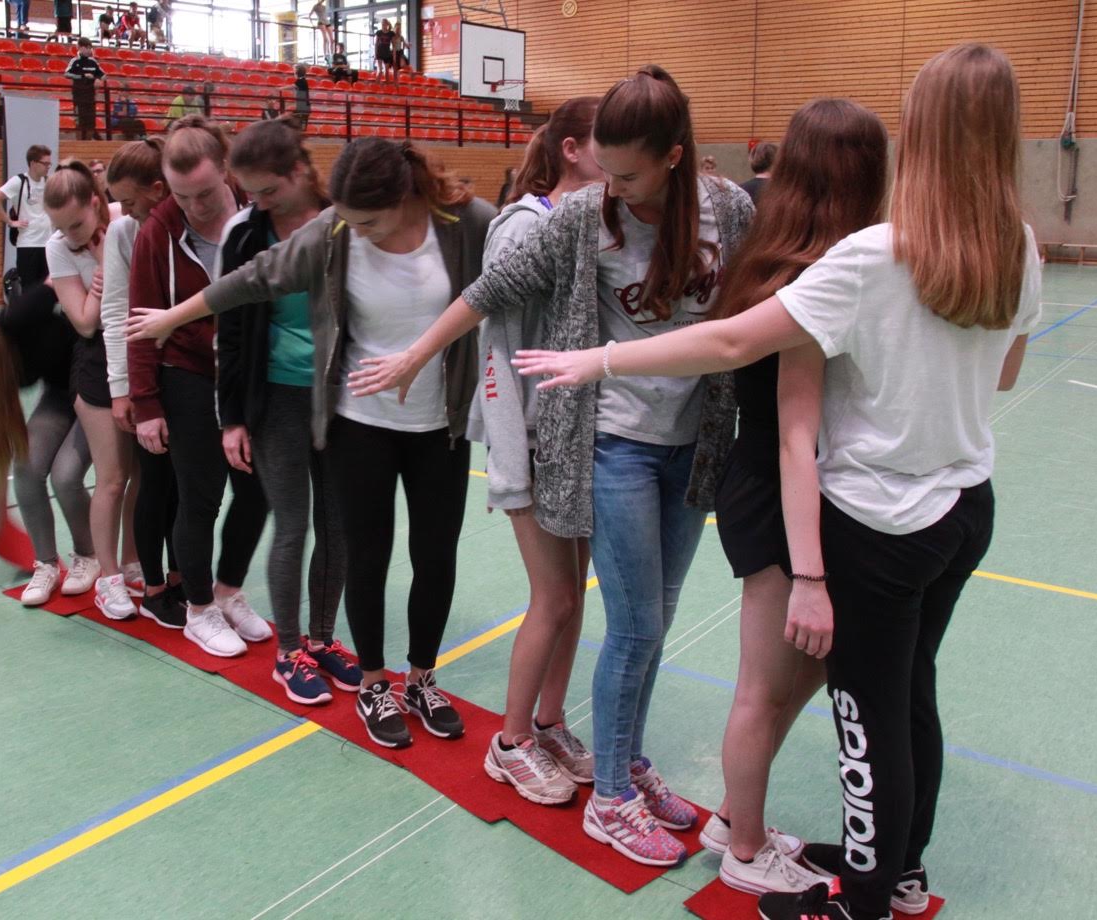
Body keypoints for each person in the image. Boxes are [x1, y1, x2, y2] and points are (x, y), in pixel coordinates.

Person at [511, 44, 1041, 920]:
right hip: (949, 506)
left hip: (875, 513)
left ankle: (860, 882)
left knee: (867, 709)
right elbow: (1005, 372)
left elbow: (733, 350)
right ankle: (843, 861)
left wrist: (598, 358)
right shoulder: (1010, 246)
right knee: (891, 697)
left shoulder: (872, 258)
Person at [345, 65, 754, 867]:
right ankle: (609, 798)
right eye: (606, 169)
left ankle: (627, 760)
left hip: (694, 444)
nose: (612, 187)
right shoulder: (582, 216)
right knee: (632, 626)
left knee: (658, 620)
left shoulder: (727, 209)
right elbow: (491, 291)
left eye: (629, 174)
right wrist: (416, 356)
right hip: (615, 442)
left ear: (675, 157)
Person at [127, 137, 496, 748]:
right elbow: (254, 278)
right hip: (359, 422)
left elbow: (507, 281)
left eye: (368, 223)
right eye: (347, 221)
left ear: (403, 197)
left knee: (436, 555)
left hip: (441, 423)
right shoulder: (336, 228)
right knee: (365, 553)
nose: (356, 233)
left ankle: (421, 679)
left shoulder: (465, 223)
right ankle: (374, 684)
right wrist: (172, 317)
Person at [680, 100, 886, 899]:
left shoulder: (790, 256)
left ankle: (737, 813)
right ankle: (744, 847)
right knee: (764, 688)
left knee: (805, 672)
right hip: (773, 490)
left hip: (785, 485)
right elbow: (795, 424)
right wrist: (808, 570)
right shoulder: (810, 275)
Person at [469, 96, 603, 806]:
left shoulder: (590, 222)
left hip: (573, 438)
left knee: (572, 596)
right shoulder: (522, 226)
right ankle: (510, 739)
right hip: (529, 440)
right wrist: (509, 458)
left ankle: (550, 722)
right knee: (551, 596)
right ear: (573, 148)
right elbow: (494, 347)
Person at [209, 117, 361, 704]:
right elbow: (230, 332)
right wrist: (231, 418)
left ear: (299, 171)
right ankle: (288, 651)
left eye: (269, 190)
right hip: (275, 397)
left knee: (338, 524)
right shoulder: (245, 235)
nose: (259, 202)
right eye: (250, 192)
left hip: (340, 395)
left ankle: (322, 640)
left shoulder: (345, 221)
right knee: (292, 524)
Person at [126, 116, 270, 657]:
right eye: (182, 196)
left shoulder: (257, 217)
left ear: (226, 170)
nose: (195, 207)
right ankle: (200, 607)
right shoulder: (157, 231)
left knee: (256, 492)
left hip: (250, 375)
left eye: (205, 193)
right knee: (200, 496)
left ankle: (229, 592)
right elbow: (140, 321)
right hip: (186, 373)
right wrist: (146, 403)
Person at [0, 284, 96, 608]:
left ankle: (88, 555)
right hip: (59, 394)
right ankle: (47, 564)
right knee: (26, 467)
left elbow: (61, 280)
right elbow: (1, 440)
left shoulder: (21, 315)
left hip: (94, 388)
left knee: (65, 476)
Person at [44, 160, 141, 621]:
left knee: (143, 474)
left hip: (140, 351)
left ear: (97, 204)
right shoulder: (58, 248)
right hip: (96, 361)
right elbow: (83, 322)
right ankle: (108, 579)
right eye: (59, 227)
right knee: (112, 477)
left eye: (76, 224)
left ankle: (132, 561)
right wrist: (105, 275)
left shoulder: (125, 219)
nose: (68, 235)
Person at [104, 138, 186, 629]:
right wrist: (123, 389)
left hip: (190, 374)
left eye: (129, 201)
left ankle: (181, 577)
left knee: (187, 483)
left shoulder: (187, 220)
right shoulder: (123, 232)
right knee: (156, 480)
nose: (124, 210)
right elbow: (117, 311)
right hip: (146, 376)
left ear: (158, 189)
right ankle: (154, 587)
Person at [0, 145, 53, 290]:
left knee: (47, 289)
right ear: (33, 163)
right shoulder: (19, 181)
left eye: (50, 164)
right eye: (45, 163)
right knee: (29, 289)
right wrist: (10, 222)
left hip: (47, 243)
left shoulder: (48, 181)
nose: (48, 167)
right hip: (28, 244)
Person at [64, 37, 106, 141]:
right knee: (79, 122)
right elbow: (67, 74)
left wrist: (98, 79)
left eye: (90, 48)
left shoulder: (93, 62)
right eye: (86, 48)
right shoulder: (75, 61)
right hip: (79, 97)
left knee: (91, 123)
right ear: (80, 48)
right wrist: (82, 76)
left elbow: (103, 75)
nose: (89, 50)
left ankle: (87, 144)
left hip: (90, 97)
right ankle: (79, 145)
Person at [373, 19, 395, 83]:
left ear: (387, 25)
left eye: (384, 24)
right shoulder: (378, 32)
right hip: (379, 53)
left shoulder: (391, 33)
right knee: (380, 71)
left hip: (387, 53)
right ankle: (376, 85)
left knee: (387, 71)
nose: (383, 25)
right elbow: (376, 44)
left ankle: (388, 86)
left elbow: (394, 45)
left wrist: (394, 55)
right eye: (382, 24)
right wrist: (375, 54)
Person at [292, 64, 310, 130]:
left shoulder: (301, 81)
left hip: (303, 106)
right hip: (302, 105)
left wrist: (280, 88)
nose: (294, 73)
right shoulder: (302, 80)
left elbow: (293, 86)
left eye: (295, 71)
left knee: (301, 125)